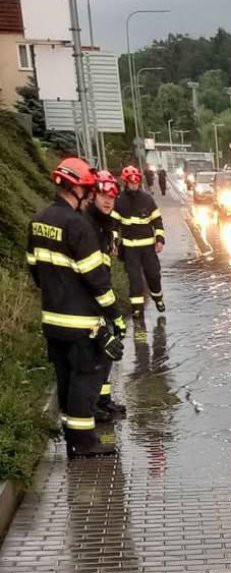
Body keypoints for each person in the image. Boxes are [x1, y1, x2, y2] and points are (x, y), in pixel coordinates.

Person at [26, 157, 125, 459]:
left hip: (52, 319)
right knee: (85, 378)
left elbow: (34, 270)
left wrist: (57, 292)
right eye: (89, 190)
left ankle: (72, 438)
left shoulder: (39, 221)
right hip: (81, 321)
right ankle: (84, 444)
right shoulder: (77, 226)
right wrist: (115, 317)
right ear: (79, 189)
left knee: (66, 379)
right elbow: (97, 280)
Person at [86, 170, 128, 422]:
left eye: (112, 196)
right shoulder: (86, 225)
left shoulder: (104, 224)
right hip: (89, 304)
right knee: (95, 354)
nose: (108, 200)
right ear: (92, 195)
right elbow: (92, 277)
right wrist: (112, 312)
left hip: (100, 299)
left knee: (105, 354)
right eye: (103, 194)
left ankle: (103, 400)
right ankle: (93, 406)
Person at [113, 165, 166, 320]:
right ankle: (137, 309)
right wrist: (114, 242)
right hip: (130, 249)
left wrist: (160, 240)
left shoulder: (147, 200)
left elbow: (157, 221)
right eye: (131, 182)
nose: (134, 184)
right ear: (125, 182)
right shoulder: (120, 202)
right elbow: (114, 226)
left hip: (148, 248)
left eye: (136, 181)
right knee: (135, 280)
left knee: (154, 275)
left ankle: (158, 298)